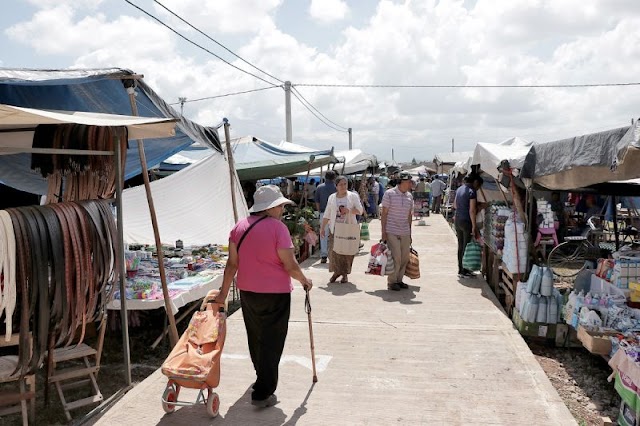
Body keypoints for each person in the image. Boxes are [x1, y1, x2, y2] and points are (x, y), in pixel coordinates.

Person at [215, 185, 313, 408]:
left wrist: (223, 294)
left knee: (256, 336)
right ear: (269, 208)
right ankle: (263, 391)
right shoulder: (278, 229)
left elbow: (232, 264)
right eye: (279, 206)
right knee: (272, 341)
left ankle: (261, 376)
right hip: (275, 294)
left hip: (248, 292)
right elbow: (290, 265)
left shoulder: (239, 227)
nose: (281, 210)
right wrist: (304, 281)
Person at [320, 175, 364, 283]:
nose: (343, 186)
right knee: (334, 252)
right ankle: (337, 272)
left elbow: (360, 211)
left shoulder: (352, 196)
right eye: (341, 184)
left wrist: (349, 210)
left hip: (349, 228)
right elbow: (327, 213)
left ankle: (343, 274)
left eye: (345, 184)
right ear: (336, 186)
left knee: (347, 253)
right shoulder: (332, 197)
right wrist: (322, 227)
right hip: (335, 228)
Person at [381, 172, 414, 291]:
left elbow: (409, 215)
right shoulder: (389, 194)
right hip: (391, 230)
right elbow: (384, 214)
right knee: (396, 257)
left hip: (405, 230)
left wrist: (410, 233)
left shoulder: (410, 196)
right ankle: (392, 282)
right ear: (401, 182)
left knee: (405, 257)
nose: (410, 183)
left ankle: (399, 280)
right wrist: (383, 232)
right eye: (408, 181)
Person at [454, 174, 484, 278]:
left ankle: (460, 269)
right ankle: (464, 270)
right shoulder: (472, 191)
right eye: (479, 186)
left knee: (461, 245)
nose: (478, 188)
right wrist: (474, 226)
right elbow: (472, 210)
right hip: (466, 221)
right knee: (466, 246)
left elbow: (455, 205)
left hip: (457, 219)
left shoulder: (459, 189)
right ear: (475, 182)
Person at [315, 170, 337, 264]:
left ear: (325, 177)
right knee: (335, 234)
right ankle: (335, 254)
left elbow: (317, 201)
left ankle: (324, 255)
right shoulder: (337, 187)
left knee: (323, 234)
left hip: (323, 213)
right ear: (334, 178)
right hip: (336, 214)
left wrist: (320, 211)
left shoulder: (319, 187)